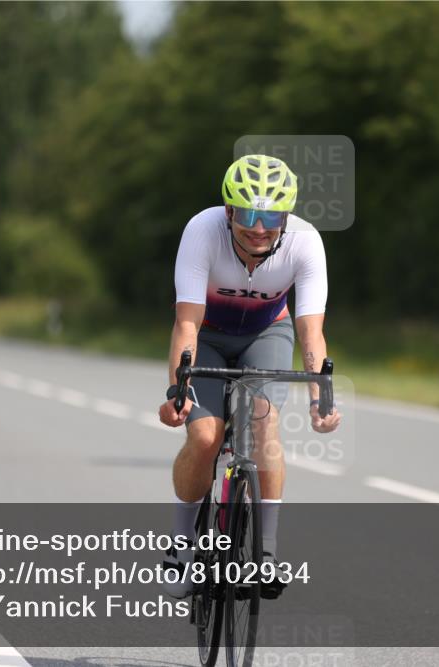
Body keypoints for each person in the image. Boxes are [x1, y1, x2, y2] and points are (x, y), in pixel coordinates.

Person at [158, 155, 341, 598]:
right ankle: (182, 546)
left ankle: (266, 554)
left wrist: (322, 397)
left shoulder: (305, 242)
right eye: (248, 215)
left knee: (264, 422)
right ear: (228, 212)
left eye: (271, 216)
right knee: (204, 437)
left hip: (266, 331)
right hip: (210, 335)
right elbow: (186, 323)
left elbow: (310, 331)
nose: (259, 227)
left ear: (287, 215)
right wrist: (178, 390)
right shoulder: (202, 231)